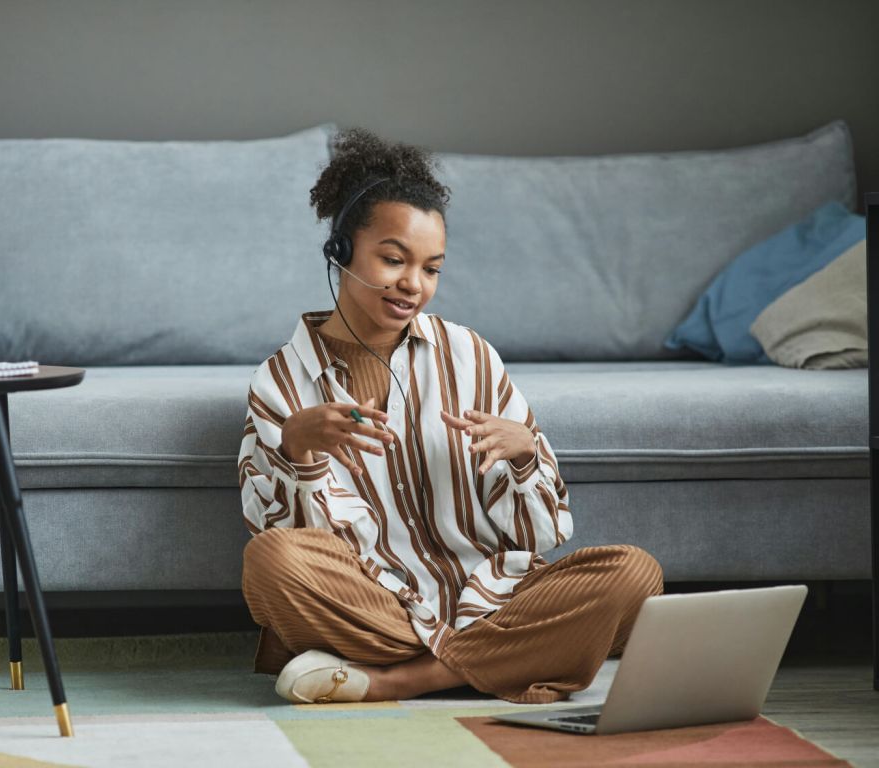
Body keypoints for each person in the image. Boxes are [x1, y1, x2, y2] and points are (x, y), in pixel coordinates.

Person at [238, 127, 663, 705]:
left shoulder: (471, 356)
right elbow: (291, 545)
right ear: (340, 253)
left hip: (493, 595)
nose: (413, 284)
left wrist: (525, 456)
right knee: (271, 562)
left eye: (431, 268)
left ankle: (401, 679)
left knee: (636, 576)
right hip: (377, 604)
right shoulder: (281, 383)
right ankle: (514, 659)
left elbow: (540, 535)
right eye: (393, 259)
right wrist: (298, 451)